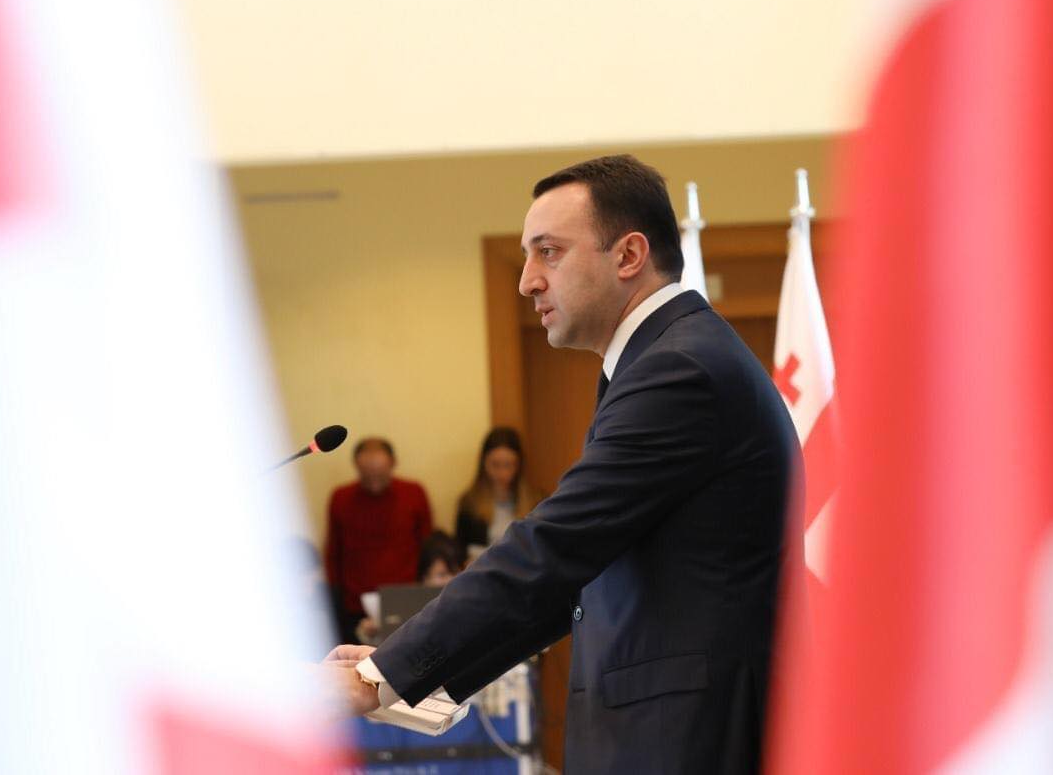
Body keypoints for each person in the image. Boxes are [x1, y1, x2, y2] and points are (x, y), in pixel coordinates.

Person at [325, 155, 799, 773]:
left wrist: (376, 678)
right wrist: (399, 668)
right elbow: (573, 576)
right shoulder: (666, 360)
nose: (527, 281)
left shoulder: (679, 370)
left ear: (629, 255)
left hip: (688, 742)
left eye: (548, 252)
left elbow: (554, 546)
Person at [324, 436, 432, 645]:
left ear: (393, 464)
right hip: (356, 606)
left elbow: (427, 547)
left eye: (380, 473)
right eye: (367, 474)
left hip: (407, 600)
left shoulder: (414, 493)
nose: (374, 480)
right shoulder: (341, 498)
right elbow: (333, 553)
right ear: (356, 466)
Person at [454, 427, 544, 557]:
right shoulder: (469, 504)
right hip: (483, 568)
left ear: (519, 465)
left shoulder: (537, 501)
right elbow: (460, 552)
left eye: (509, 465)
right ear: (483, 463)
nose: (503, 474)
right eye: (495, 465)